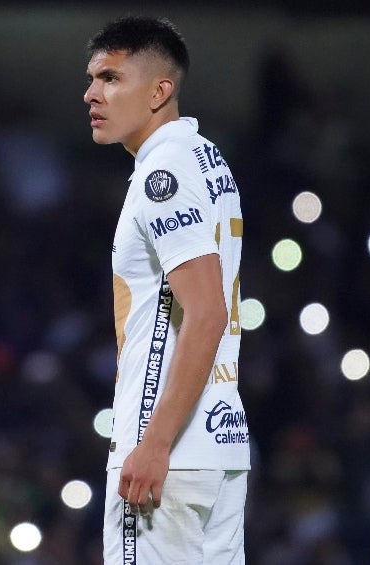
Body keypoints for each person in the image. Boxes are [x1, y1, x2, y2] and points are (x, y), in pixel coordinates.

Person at [83, 16, 251, 564]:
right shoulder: (206, 158)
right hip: (218, 443)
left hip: (168, 452)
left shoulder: (165, 173)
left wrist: (154, 443)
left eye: (111, 78)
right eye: (93, 79)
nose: (92, 94)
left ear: (160, 91)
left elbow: (206, 312)